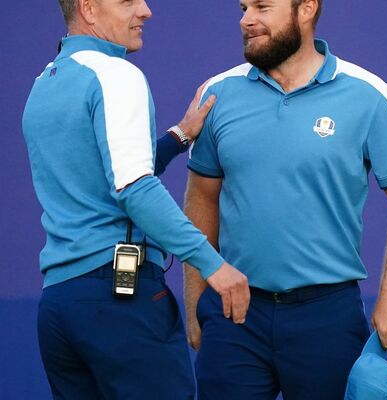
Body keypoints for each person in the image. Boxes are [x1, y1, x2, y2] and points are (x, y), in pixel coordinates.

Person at [183, 0, 387, 398]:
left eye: (263, 7)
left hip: (327, 314)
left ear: (306, 8)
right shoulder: (216, 94)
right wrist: (196, 301)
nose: (247, 20)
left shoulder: (370, 94)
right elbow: (201, 198)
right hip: (233, 313)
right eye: (244, 7)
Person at [22, 0, 251, 398]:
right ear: (89, 9)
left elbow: (101, 177)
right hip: (120, 303)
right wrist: (214, 265)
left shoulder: (45, 82)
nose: (146, 11)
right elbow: (133, 188)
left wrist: (179, 136)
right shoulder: (115, 74)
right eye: (128, 1)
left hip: (59, 307)